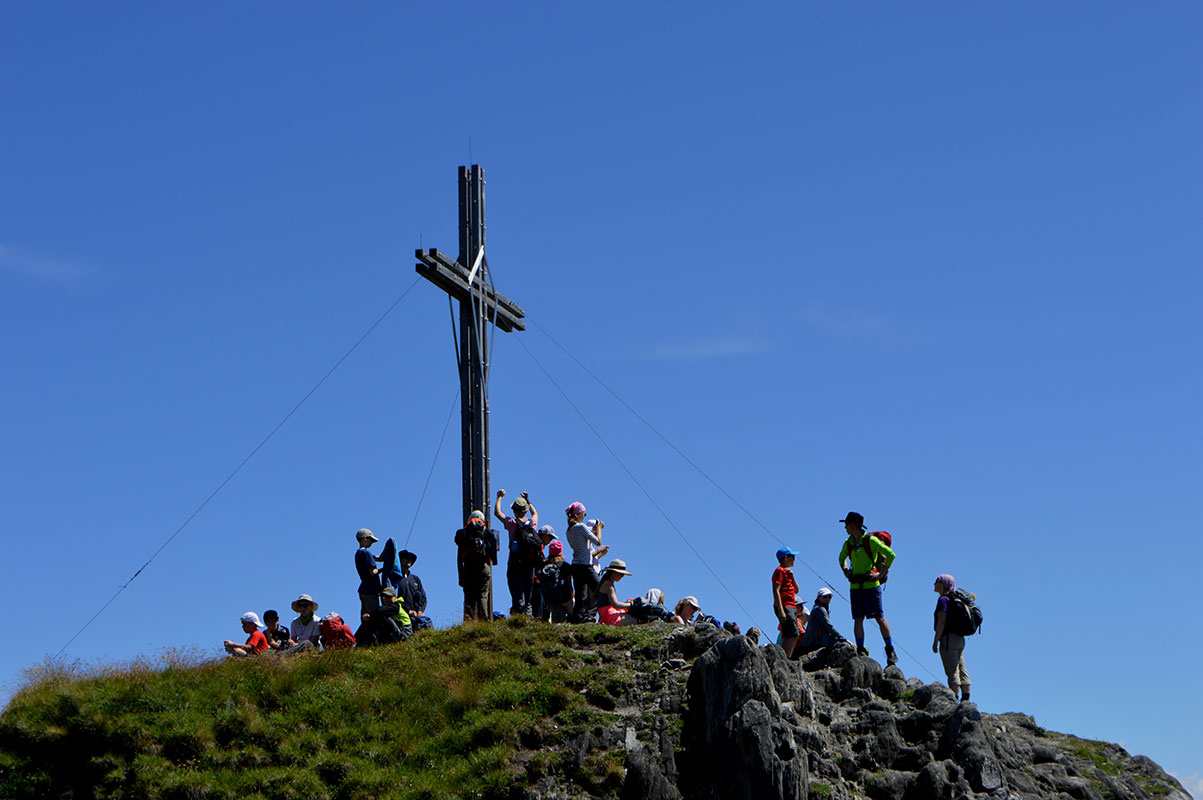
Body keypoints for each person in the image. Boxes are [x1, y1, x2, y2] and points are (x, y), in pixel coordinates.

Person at [837, 511, 898, 664]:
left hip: (870, 585)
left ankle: (889, 649)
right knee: (858, 619)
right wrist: (846, 571)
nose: (845, 528)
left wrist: (880, 574)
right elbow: (841, 558)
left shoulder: (871, 541)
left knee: (878, 617)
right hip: (856, 585)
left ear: (853, 525)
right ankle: (861, 649)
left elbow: (891, 554)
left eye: (846, 524)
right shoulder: (849, 543)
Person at [494, 489, 540, 616]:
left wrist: (499, 497)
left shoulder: (511, 523)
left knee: (517, 595)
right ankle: (528, 618)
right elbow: (535, 513)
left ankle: (519, 618)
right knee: (528, 597)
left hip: (514, 563)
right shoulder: (532, 524)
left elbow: (497, 513)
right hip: (529, 564)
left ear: (514, 511)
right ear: (525, 511)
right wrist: (527, 501)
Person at [565, 503, 607, 623]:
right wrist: (599, 528)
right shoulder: (581, 527)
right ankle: (601, 615)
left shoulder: (569, 530)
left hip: (575, 565)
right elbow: (598, 541)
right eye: (584, 514)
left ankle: (578, 619)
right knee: (600, 589)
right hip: (585, 565)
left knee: (580, 596)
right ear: (579, 514)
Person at [933, 574, 971, 703]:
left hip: (948, 639)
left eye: (937, 581)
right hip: (960, 639)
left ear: (944, 584)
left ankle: (954, 700)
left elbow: (941, 620)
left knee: (952, 671)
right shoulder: (956, 599)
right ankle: (966, 700)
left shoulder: (943, 600)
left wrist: (936, 640)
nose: (934, 584)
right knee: (962, 669)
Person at [455, 511, 497, 621]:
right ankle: (484, 621)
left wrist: (460, 577)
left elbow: (459, 559)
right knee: (483, 595)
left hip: (468, 568)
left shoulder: (464, 534)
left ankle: (469, 621)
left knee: (469, 597)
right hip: (483, 567)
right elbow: (493, 555)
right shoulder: (486, 533)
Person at [772, 547, 806, 658]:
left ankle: (784, 658)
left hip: (791, 606)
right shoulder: (780, 571)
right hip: (785, 606)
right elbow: (776, 590)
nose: (794, 560)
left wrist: (792, 577)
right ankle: (786, 658)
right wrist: (781, 611)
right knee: (794, 634)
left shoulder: (788, 573)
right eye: (792, 557)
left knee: (787, 634)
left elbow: (796, 590)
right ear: (786, 558)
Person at [797, 587, 849, 655]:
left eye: (829, 597)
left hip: (815, 643)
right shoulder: (819, 609)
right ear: (819, 597)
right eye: (824, 596)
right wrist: (844, 639)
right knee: (843, 646)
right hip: (814, 644)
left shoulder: (820, 608)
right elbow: (829, 626)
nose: (827, 599)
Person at [538, 540, 574, 622]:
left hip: (549, 598)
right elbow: (569, 583)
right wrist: (572, 595)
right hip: (564, 598)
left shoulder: (544, 565)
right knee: (574, 611)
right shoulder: (565, 566)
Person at [395, 550, 432, 631]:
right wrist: (408, 611)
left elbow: (423, 596)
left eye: (410, 559)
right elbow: (395, 599)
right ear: (400, 560)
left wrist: (420, 610)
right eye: (406, 558)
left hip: (417, 615)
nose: (409, 561)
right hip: (403, 617)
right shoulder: (395, 579)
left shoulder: (415, 579)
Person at [355, 528, 384, 617]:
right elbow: (373, 572)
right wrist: (384, 569)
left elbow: (380, 558)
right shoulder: (366, 552)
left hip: (364, 590)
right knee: (372, 616)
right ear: (365, 539)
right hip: (370, 590)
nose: (372, 543)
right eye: (371, 540)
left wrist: (388, 550)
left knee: (365, 615)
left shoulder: (358, 553)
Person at [595, 559, 634, 626]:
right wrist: (631, 605)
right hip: (611, 617)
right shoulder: (609, 585)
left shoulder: (605, 582)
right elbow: (615, 604)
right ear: (613, 572)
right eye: (621, 574)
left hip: (606, 617)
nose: (622, 576)